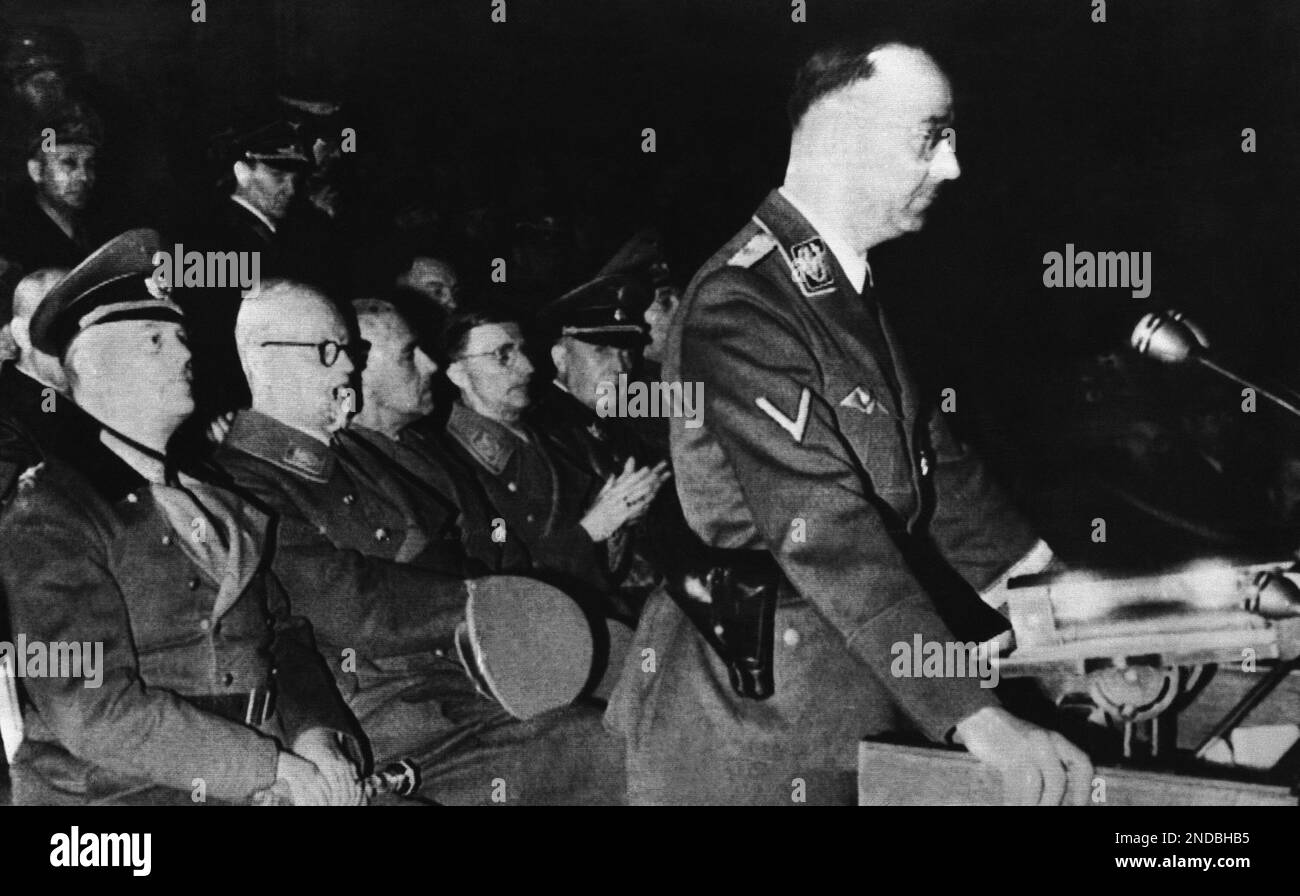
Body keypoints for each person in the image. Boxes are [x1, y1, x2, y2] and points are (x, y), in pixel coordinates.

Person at [610, 40, 1092, 805]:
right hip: (752, 725)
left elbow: (941, 475)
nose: (952, 167)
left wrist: (1068, 607)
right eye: (931, 139)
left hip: (841, 692)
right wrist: (976, 716)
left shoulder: (840, 288)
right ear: (843, 137)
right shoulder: (740, 305)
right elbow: (829, 530)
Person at [213, 280, 627, 804]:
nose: (346, 369)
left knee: (614, 733)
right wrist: (482, 603)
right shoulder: (241, 480)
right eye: (327, 352)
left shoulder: (348, 455)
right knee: (596, 748)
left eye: (350, 351)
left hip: (452, 684)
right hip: (377, 715)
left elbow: (451, 551)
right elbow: (347, 601)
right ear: (262, 359)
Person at [0, 230, 363, 805]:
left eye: (181, 335)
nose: (185, 352)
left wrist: (315, 733)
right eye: (154, 340)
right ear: (93, 365)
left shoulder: (211, 495)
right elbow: (91, 711)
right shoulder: (48, 510)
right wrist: (265, 768)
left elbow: (283, 635)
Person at [442, 306, 670, 620]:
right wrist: (591, 530)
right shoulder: (452, 465)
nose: (527, 367)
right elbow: (499, 589)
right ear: (458, 374)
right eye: (502, 355)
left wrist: (621, 520)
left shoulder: (547, 434)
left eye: (522, 350)